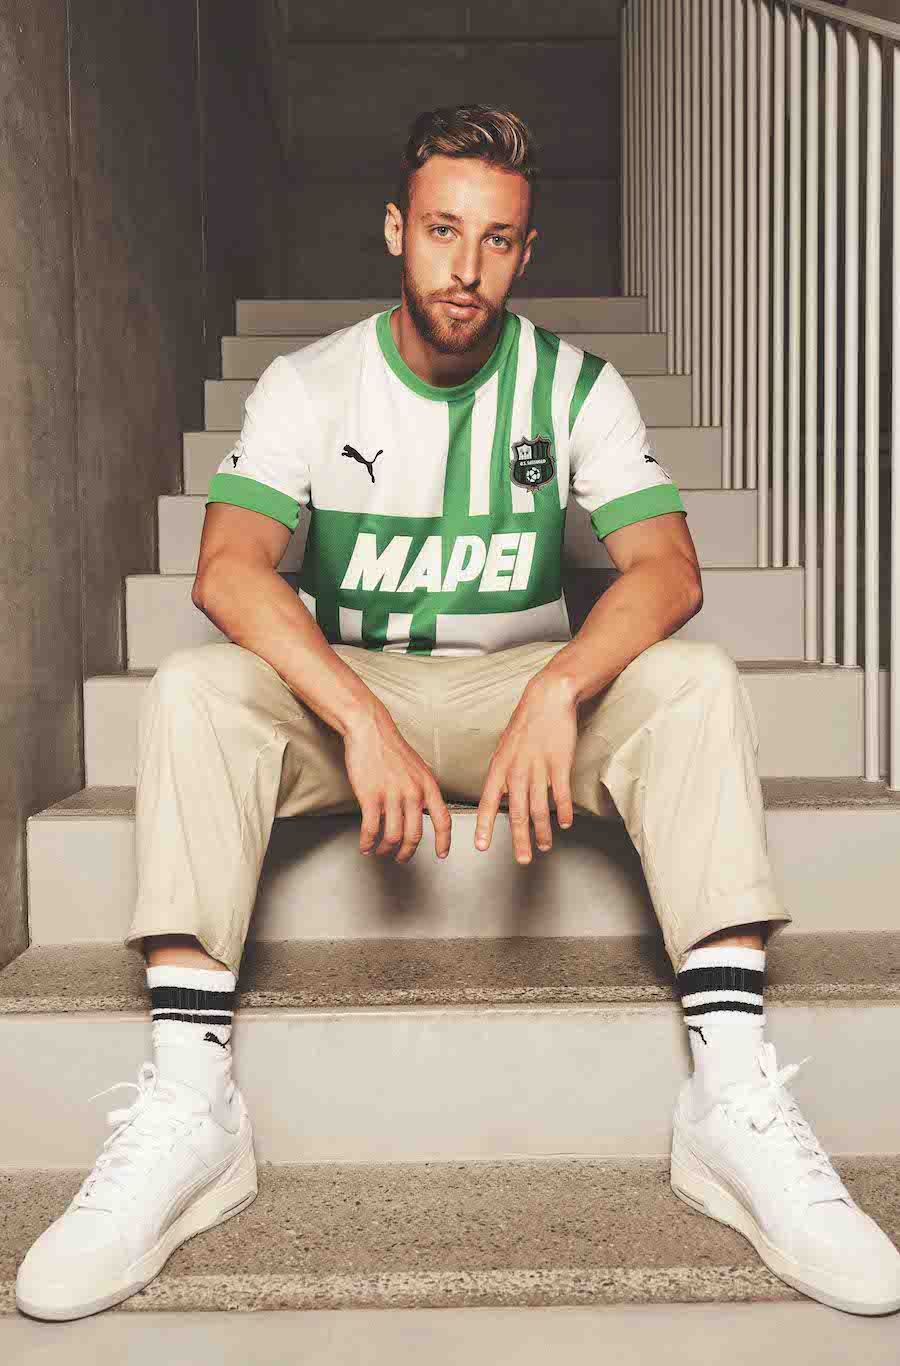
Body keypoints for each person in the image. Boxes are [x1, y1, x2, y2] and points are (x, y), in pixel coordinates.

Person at [16, 103, 900, 1322]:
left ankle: (731, 1097)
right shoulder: (311, 384)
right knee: (194, 688)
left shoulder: (573, 386)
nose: (465, 267)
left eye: (495, 239)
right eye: (442, 230)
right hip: (357, 689)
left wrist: (558, 684)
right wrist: (358, 715)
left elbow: (669, 569)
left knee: (694, 678)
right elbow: (227, 569)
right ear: (397, 229)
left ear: (525, 251)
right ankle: (190, 1105)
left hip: (516, 697)